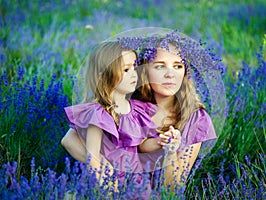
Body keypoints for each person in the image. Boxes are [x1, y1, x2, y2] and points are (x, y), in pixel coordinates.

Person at [61, 41, 176, 193]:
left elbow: (141, 145)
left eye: (134, 67)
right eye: (126, 70)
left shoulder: (137, 110)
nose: (134, 74)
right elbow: (92, 155)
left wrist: (159, 142)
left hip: (135, 181)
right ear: (104, 75)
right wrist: (105, 184)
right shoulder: (99, 113)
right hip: (107, 182)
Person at [132, 41, 217, 190]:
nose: (170, 74)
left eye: (178, 66)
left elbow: (172, 189)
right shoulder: (130, 109)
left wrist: (170, 152)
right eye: (160, 66)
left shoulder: (196, 119)